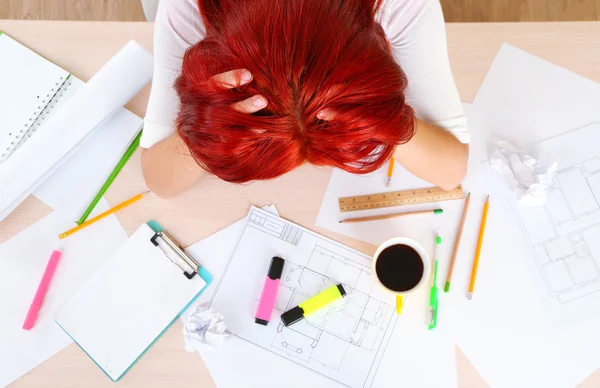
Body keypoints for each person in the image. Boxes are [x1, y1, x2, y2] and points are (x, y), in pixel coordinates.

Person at [141, 0, 469, 198]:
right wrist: (205, 126)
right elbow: (159, 179)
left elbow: (451, 171)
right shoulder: (188, 6)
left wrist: (379, 115)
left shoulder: (399, 6)